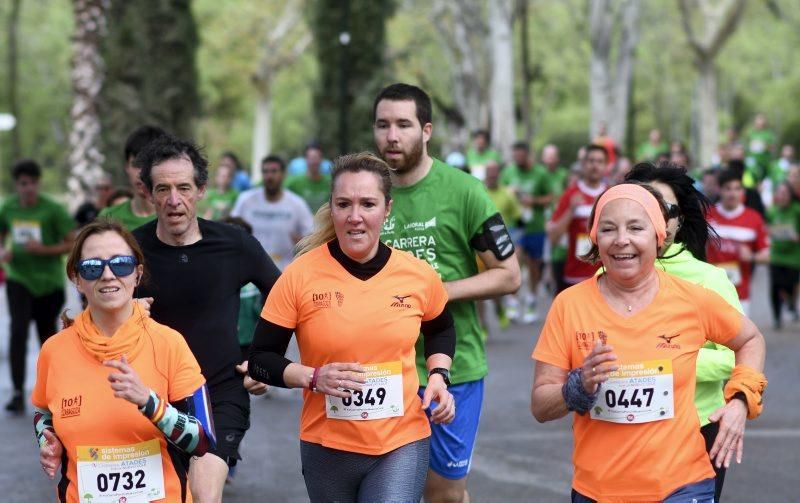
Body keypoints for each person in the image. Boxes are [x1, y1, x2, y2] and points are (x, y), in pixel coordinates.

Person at [531, 183, 767, 502]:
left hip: (683, 484)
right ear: (595, 239)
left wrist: (740, 399)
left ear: (658, 237)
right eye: (609, 228)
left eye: (636, 227)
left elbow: (750, 339)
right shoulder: (569, 305)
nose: (622, 239)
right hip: (597, 489)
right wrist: (578, 387)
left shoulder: (692, 299)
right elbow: (541, 406)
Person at [248, 152, 456, 502]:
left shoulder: (417, 274)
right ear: (331, 207)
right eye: (344, 204)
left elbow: (441, 329)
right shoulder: (300, 275)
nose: (355, 217)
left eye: (368, 204)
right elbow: (260, 358)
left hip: (401, 440)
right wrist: (314, 378)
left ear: (387, 209)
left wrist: (438, 376)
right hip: (326, 445)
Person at [373, 83, 521, 503]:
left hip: (452, 368)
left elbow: (509, 276)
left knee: (443, 494)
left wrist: (437, 291)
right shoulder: (364, 193)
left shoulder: (465, 191)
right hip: (379, 368)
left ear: (426, 130)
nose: (392, 136)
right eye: (383, 125)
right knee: (387, 489)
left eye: (403, 124)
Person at [132, 135, 280, 502]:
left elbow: (284, 299)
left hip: (218, 391)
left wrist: (261, 361)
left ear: (201, 190)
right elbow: (95, 313)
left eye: (184, 187)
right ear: (149, 195)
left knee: (203, 493)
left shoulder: (235, 244)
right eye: (162, 189)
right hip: (151, 396)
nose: (173, 200)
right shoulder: (129, 251)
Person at [32, 219, 215, 502]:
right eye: (93, 267)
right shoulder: (54, 350)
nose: (107, 275)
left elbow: (202, 440)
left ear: (137, 274)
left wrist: (148, 402)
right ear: (77, 279)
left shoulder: (169, 343)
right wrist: (47, 439)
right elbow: (43, 413)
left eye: (120, 264)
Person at [625, 162, 744, 501]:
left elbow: (736, 357)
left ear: (680, 220)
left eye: (663, 209)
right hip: (620, 434)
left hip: (695, 431)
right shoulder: (605, 276)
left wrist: (664, 361)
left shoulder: (709, 280)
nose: (652, 217)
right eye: (640, 206)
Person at [0, 159, 76, 414]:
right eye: (23, 183)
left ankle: (52, 392)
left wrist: (44, 250)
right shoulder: (8, 208)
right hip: (19, 279)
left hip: (49, 283)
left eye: (32, 183)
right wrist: (3, 252)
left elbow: (71, 242)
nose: (28, 188)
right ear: (17, 185)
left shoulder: (52, 209)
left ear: (38, 183)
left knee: (48, 338)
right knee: (18, 332)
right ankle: (19, 392)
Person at [231, 155, 313, 270]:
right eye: (265, 171)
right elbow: (230, 230)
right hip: (249, 274)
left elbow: (312, 240)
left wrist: (301, 242)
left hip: (284, 273)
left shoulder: (297, 204)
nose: (269, 176)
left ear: (283, 174)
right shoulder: (245, 200)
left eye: (274, 171)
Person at [501, 141, 552, 323]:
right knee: (516, 258)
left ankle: (531, 298)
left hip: (536, 226)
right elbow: (501, 191)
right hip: (515, 225)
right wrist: (509, 192)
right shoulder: (509, 172)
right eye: (515, 156)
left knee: (534, 265)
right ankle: (513, 301)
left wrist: (534, 201)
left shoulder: (541, 173)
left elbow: (550, 197)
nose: (518, 159)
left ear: (528, 155)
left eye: (521, 156)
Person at [706, 170, 770, 314]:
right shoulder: (707, 215)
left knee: (738, 336)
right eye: (728, 188)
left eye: (737, 189)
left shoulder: (754, 218)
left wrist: (752, 257)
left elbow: (767, 256)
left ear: (743, 192)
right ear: (719, 190)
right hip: (710, 289)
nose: (732, 193)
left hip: (740, 294)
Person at [547, 144, 608, 292]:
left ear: (605, 166)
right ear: (583, 164)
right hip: (574, 275)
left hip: (605, 275)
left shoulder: (610, 194)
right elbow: (554, 238)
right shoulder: (570, 194)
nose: (595, 166)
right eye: (591, 161)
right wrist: (571, 210)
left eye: (600, 162)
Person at [100, 125, 165, 230]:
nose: (142, 173)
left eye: (150, 164)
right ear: (127, 167)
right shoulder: (109, 218)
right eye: (136, 164)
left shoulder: (178, 218)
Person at [766, 182, 800, 329]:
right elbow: (765, 228)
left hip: (793, 257)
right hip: (776, 255)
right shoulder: (772, 211)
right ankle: (777, 317)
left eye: (785, 193)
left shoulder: (797, 210)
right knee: (775, 285)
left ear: (790, 195)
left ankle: (791, 301)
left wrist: (795, 236)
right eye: (780, 193)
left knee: (790, 284)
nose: (783, 196)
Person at [286, 143, 333, 213]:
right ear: (306, 159)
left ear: (321, 159)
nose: (314, 162)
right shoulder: (294, 181)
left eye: (316, 158)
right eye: (311, 158)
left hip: (324, 223)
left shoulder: (331, 181)